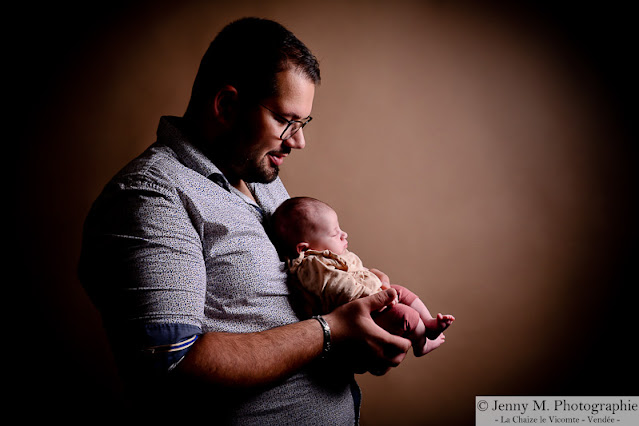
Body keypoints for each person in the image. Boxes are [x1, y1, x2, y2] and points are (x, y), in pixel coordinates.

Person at [78, 17, 412, 424]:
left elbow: (288, 315)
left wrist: (366, 328)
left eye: (303, 124)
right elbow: (170, 363)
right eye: (286, 121)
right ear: (227, 106)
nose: (298, 141)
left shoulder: (261, 178)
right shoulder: (150, 196)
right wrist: (332, 331)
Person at [270, 196, 455, 357]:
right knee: (406, 316)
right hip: (360, 314)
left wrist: (375, 278)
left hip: (375, 297)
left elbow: (358, 272)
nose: (344, 234)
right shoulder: (311, 266)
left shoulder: (335, 255)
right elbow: (339, 288)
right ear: (304, 248)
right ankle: (421, 344)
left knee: (403, 292)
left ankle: (429, 323)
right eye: (335, 234)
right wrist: (374, 293)